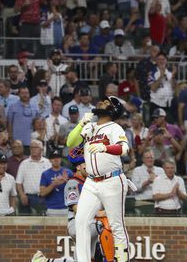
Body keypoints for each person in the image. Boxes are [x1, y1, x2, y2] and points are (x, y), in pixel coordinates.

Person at [66, 96, 130, 261]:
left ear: (112, 110)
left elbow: (124, 149)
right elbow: (70, 142)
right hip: (92, 182)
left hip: (112, 179)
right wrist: (81, 123)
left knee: (116, 225)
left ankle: (122, 259)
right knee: (80, 220)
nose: (101, 102)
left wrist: (105, 147)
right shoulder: (90, 127)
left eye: (106, 102)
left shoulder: (114, 127)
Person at [16, 139, 51, 214]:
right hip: (28, 198)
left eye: (36, 147)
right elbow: (18, 183)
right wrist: (22, 195)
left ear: (41, 149)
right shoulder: (24, 164)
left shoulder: (48, 163)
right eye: (31, 147)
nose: (33, 149)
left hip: (45, 197)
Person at [39, 149, 73, 216]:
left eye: (58, 157)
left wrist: (67, 182)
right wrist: (54, 184)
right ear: (50, 160)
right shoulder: (45, 174)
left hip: (67, 207)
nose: (56, 159)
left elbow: (77, 190)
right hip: (52, 208)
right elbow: (42, 193)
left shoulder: (68, 172)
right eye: (53, 158)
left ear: (61, 159)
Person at [131, 149, 165, 215]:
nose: (150, 160)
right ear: (143, 159)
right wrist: (148, 182)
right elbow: (134, 189)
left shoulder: (160, 170)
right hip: (142, 202)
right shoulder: (137, 170)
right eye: (147, 158)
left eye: (151, 157)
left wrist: (157, 180)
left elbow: (165, 187)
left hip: (158, 202)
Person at [7, 86, 39, 152]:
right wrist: (10, 138)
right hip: (17, 141)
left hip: (31, 141)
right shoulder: (12, 107)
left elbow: (37, 123)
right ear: (18, 94)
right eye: (23, 93)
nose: (25, 95)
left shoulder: (35, 107)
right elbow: (9, 123)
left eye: (26, 93)